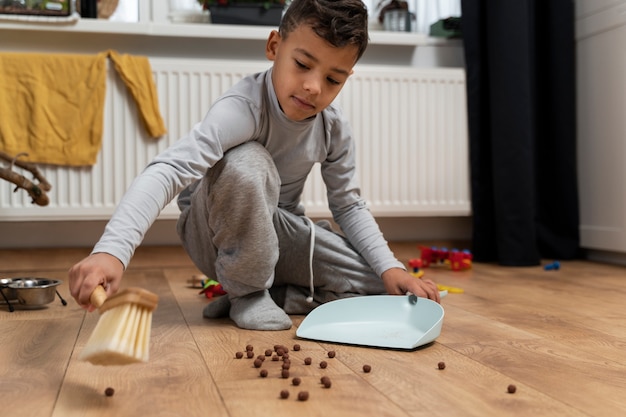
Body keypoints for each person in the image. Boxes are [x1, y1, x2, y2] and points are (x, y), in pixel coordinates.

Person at [68, 0, 440, 331]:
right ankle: (247, 295)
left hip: (278, 236)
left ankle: (279, 296)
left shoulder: (333, 127)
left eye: (332, 79)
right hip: (214, 236)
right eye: (302, 64)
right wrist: (111, 251)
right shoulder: (242, 108)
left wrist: (391, 268)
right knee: (247, 161)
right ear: (274, 46)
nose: (313, 87)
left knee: (383, 285)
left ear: (347, 78)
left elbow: (348, 204)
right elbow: (167, 171)